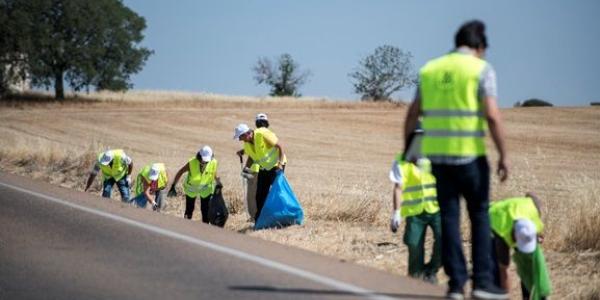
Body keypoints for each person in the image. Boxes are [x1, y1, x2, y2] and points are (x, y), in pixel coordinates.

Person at [404, 20, 509, 300]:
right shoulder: (481, 69)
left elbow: (413, 114)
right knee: (479, 216)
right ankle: (483, 283)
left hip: (439, 159)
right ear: (479, 46)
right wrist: (503, 155)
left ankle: (455, 285)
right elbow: (492, 116)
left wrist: (409, 151)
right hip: (470, 157)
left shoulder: (430, 70)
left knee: (450, 218)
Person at [389, 126, 441, 284]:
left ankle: (431, 271)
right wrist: (396, 212)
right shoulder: (401, 160)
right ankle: (415, 279)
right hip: (415, 212)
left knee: (446, 241)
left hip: (438, 209)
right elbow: (398, 188)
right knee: (413, 244)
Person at [489, 194, 552, 300]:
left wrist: (537, 236)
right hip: (493, 218)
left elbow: (532, 196)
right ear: (514, 236)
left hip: (519, 212)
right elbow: (503, 269)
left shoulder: (533, 217)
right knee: (499, 267)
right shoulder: (500, 230)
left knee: (528, 263)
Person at [233, 122, 285, 221]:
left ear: (247, 134)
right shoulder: (247, 143)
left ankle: (282, 215)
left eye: (240, 137)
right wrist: (246, 168)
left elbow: (280, 146)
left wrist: (280, 163)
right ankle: (259, 220)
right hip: (264, 168)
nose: (240, 140)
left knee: (277, 191)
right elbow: (252, 156)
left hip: (276, 166)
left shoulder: (261, 134)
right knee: (260, 195)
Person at [168, 146, 218, 223]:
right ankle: (186, 226)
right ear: (199, 156)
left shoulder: (213, 162)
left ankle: (205, 230)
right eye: (203, 159)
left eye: (206, 160)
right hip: (191, 190)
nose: (204, 162)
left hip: (206, 190)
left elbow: (214, 173)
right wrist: (173, 185)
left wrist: (219, 183)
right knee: (189, 210)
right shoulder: (192, 163)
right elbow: (180, 171)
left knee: (206, 211)